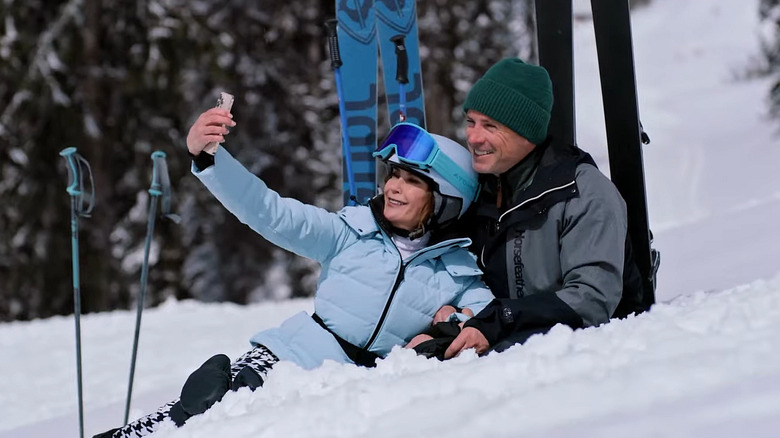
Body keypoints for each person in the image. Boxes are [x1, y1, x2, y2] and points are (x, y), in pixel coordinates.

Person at [94, 114, 494, 438]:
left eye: (411, 181)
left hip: (347, 388)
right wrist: (210, 158)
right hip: (285, 358)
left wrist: (447, 328)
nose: (393, 187)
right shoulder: (349, 232)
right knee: (206, 409)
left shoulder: (457, 273)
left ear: (444, 200)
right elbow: (268, 210)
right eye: (392, 175)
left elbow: (484, 321)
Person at [441, 58, 645, 359]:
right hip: (509, 348)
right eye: (470, 122)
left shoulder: (583, 192)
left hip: (596, 358)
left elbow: (591, 300)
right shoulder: (484, 187)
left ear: (527, 132)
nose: (473, 137)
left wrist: (501, 318)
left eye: (490, 126)